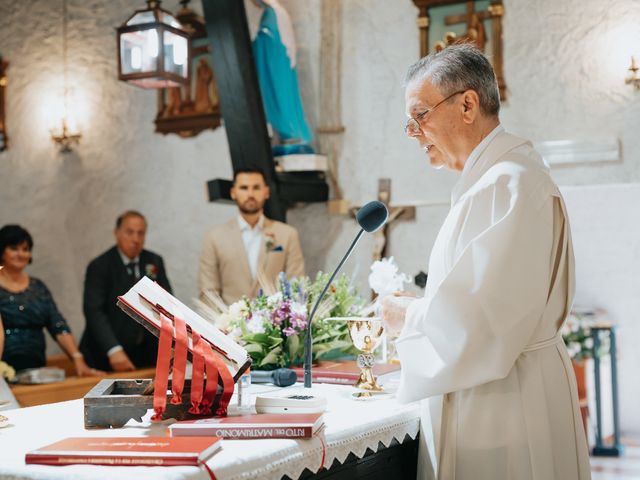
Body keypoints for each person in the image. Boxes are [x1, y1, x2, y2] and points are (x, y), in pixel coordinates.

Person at [381, 44, 591, 480]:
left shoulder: (506, 184)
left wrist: (409, 315)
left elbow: (483, 324)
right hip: (504, 389)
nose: (413, 133)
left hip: (505, 403)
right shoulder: (500, 179)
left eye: (419, 116)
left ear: (468, 105)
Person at [0, 225, 98, 376]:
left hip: (35, 371)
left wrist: (77, 358)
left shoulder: (38, 287)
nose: (21, 254)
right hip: (4, 371)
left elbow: (57, 323)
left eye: (25, 249)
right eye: (14, 248)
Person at [79, 211, 172, 372]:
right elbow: (94, 311)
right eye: (130, 232)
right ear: (117, 233)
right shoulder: (100, 266)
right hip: (105, 355)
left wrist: (173, 343)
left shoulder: (154, 261)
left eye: (140, 233)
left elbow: (167, 305)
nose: (135, 239)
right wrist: (113, 349)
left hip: (145, 355)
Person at [199, 167, 305, 305]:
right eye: (244, 188)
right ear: (233, 192)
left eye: (256, 187)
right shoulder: (214, 237)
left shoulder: (287, 234)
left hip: (274, 322)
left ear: (266, 192)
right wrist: (221, 323)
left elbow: (296, 285)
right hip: (227, 324)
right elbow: (208, 292)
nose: (250, 194)